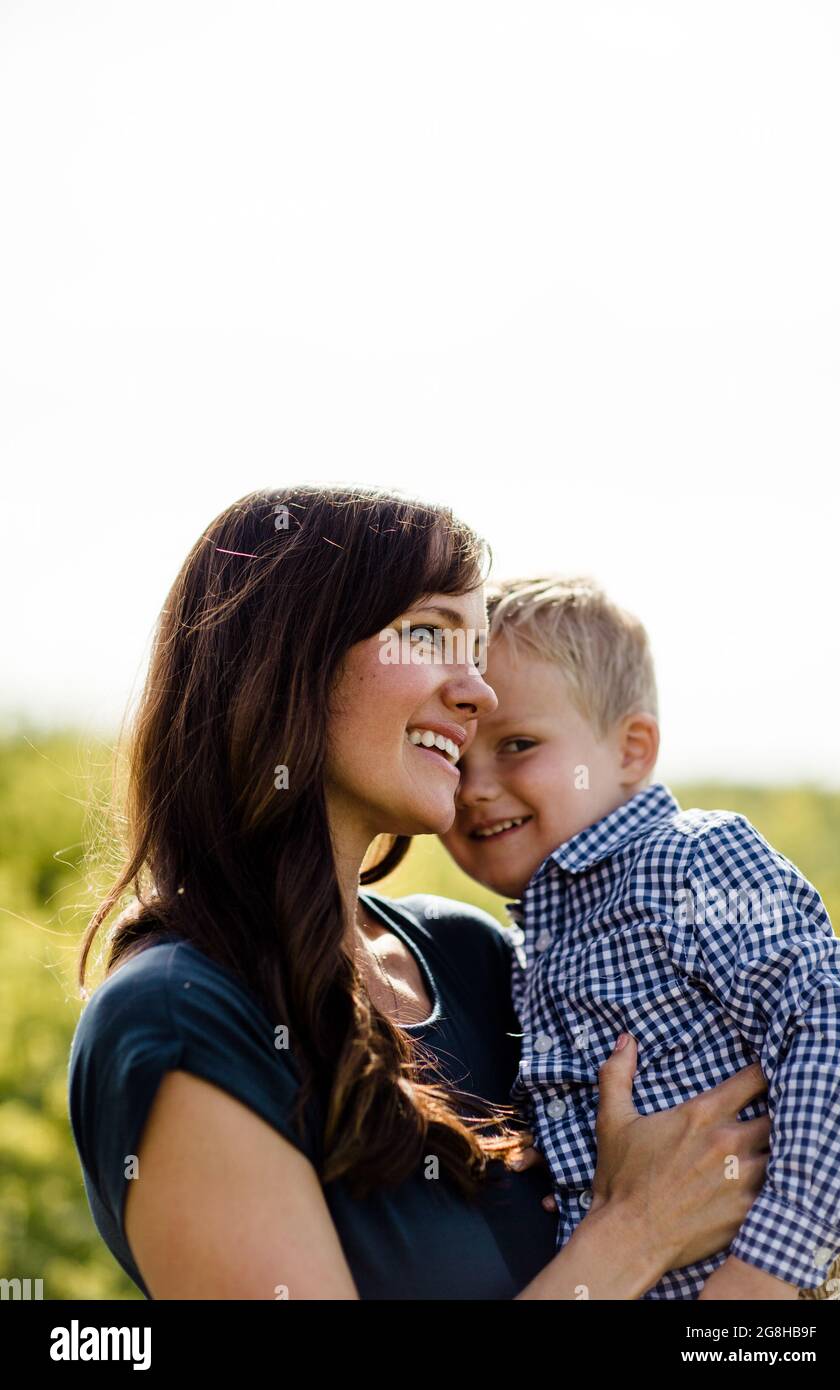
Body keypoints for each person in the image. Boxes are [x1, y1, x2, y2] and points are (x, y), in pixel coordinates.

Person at [68, 488, 771, 1300]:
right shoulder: (183, 1016)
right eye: (432, 635)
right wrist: (635, 1235)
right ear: (295, 655)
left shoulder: (475, 956)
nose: (479, 694)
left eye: (476, 653)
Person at [438, 574, 840, 1300]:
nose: (476, 787)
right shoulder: (532, 948)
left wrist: (770, 1266)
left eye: (517, 744)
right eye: (454, 760)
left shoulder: (689, 859)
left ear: (632, 750)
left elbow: (838, 1027)